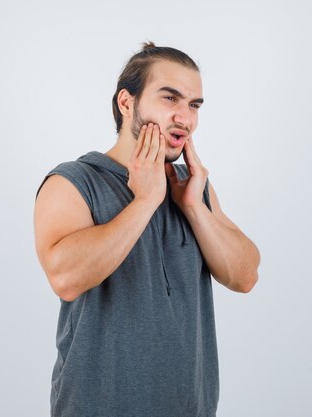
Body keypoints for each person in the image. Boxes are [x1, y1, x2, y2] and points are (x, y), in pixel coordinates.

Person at [34, 42, 260, 417]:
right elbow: (65, 277)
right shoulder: (73, 182)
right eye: (170, 98)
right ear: (127, 102)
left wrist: (193, 207)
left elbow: (245, 275)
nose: (185, 118)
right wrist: (145, 202)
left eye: (194, 105)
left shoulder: (193, 187)